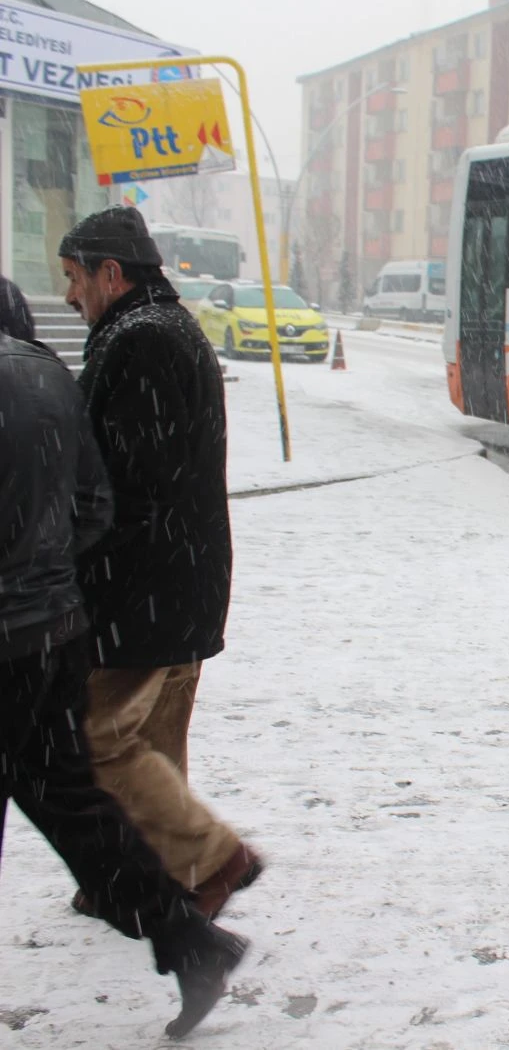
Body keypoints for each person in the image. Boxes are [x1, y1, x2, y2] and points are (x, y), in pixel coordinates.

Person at [0, 329, 248, 1038]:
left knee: (81, 796)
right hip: (50, 633)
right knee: (76, 805)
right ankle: (188, 940)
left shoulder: (117, 350)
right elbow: (94, 505)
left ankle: (192, 924)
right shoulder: (48, 374)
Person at [59, 207, 263, 915]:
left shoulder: (139, 341)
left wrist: (79, 566)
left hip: (142, 588)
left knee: (91, 736)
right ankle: (160, 875)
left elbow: (124, 485)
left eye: (75, 277)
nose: (68, 295)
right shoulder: (169, 330)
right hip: (185, 579)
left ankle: (210, 859)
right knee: (155, 738)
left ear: (111, 274)